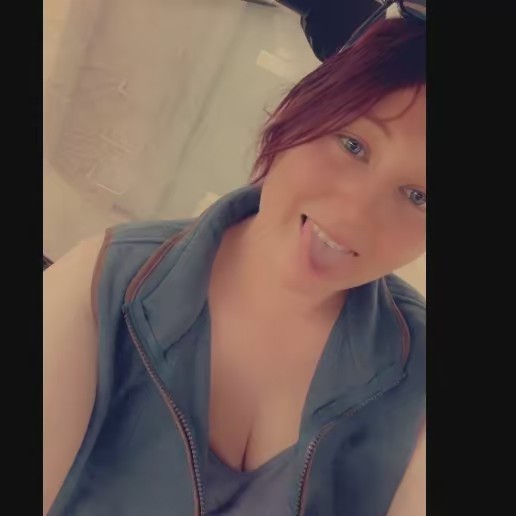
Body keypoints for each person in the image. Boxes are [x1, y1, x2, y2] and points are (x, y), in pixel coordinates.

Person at [44, 12, 426, 516]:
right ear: (300, 110)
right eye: (353, 145)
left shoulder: (420, 374)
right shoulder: (103, 286)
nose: (356, 213)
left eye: (419, 196)